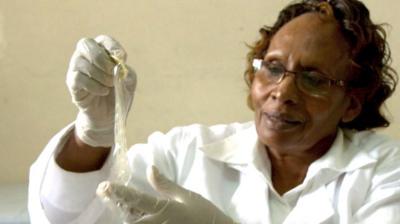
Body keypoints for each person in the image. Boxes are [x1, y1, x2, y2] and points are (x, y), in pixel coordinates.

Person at [29, 0, 400, 223]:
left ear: (352, 103)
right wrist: (92, 134)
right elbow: (74, 218)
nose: (282, 92)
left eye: (314, 79)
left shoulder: (385, 173)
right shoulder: (184, 153)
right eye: (272, 67)